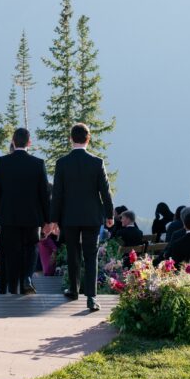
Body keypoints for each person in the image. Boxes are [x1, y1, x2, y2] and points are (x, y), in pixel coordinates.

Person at [49, 122, 114, 312]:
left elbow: (57, 195)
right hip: (91, 217)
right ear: (88, 138)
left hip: (68, 217)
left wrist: (53, 220)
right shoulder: (97, 162)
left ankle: (74, 290)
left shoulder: (62, 163)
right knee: (91, 255)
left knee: (72, 253)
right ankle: (91, 297)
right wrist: (109, 214)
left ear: (71, 139)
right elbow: (105, 192)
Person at [0, 127, 50, 295]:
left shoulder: (2, 163)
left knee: (12, 251)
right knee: (31, 248)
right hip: (32, 216)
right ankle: (27, 278)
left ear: (13, 142)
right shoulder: (38, 164)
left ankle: (13, 286)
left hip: (8, 216)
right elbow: (44, 194)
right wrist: (47, 219)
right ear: (29, 142)